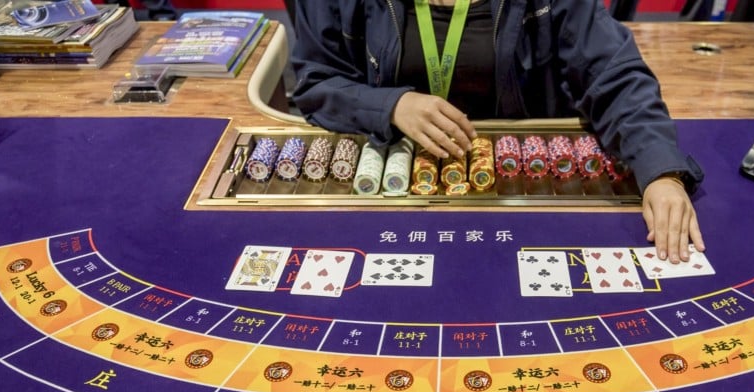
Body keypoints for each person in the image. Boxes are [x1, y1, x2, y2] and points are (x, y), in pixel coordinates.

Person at [291, 0, 705, 263]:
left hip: (522, 185)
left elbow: (618, 78)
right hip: (393, 177)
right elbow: (315, 82)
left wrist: (661, 172)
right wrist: (391, 105)